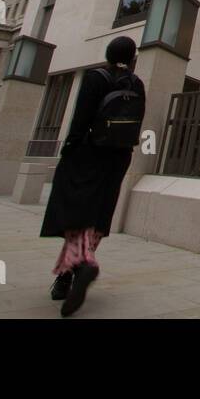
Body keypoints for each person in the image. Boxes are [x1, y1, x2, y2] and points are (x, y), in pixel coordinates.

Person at [40, 35, 145, 317]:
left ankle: (83, 262)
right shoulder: (137, 84)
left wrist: (70, 147)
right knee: (97, 214)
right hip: (119, 155)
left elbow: (81, 118)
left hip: (89, 153)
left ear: (109, 55)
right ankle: (66, 277)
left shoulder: (96, 78)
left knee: (76, 211)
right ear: (133, 56)